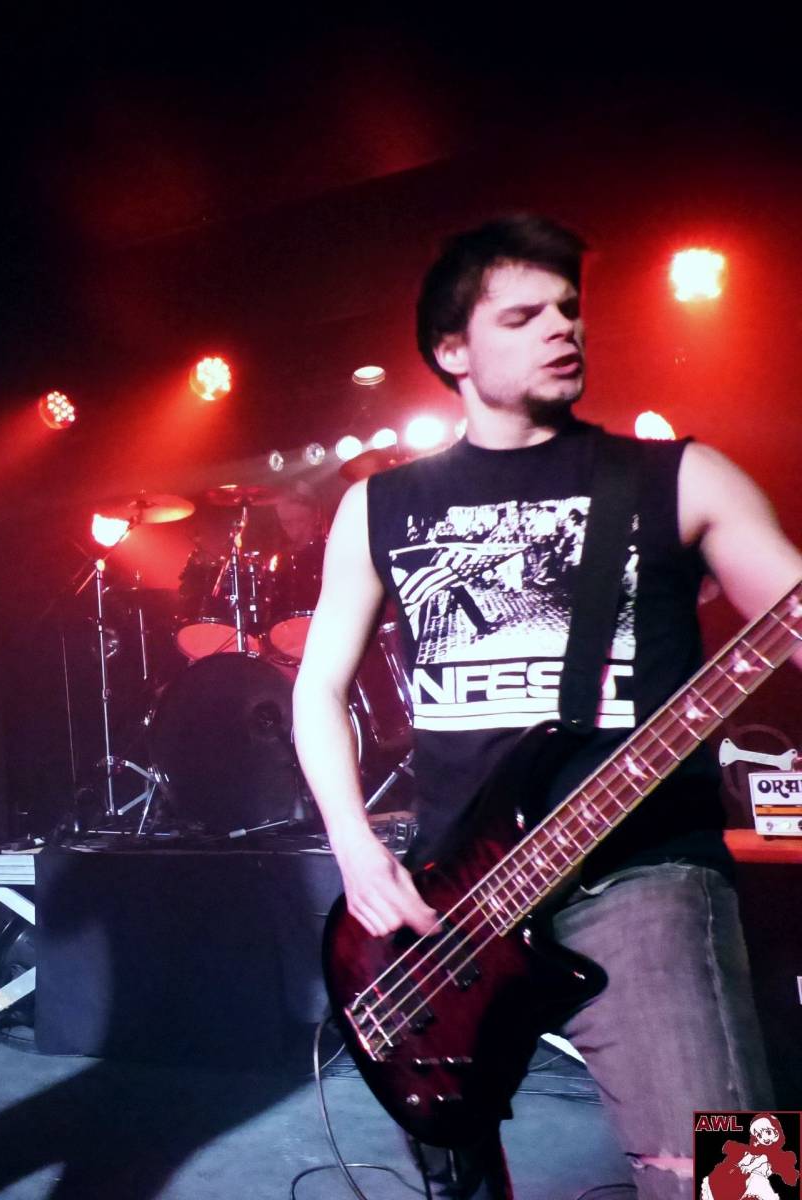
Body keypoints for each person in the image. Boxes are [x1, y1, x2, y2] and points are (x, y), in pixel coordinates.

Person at [292, 215, 801, 1199]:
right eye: (523, 316)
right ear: (452, 351)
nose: (563, 327)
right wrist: (354, 848)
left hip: (642, 869)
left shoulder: (677, 477)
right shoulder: (379, 506)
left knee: (738, 1176)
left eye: (568, 309)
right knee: (458, 1174)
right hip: (454, 889)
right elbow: (317, 686)